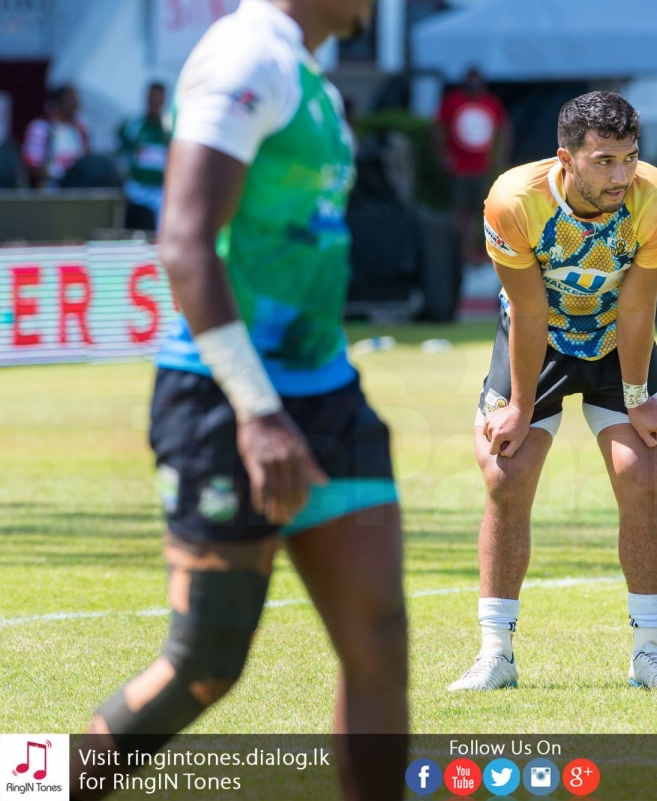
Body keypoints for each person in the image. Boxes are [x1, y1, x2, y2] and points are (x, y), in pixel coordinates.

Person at [70, 1, 406, 799]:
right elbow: (184, 242)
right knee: (205, 662)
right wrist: (257, 411)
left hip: (328, 395)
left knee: (379, 642)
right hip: (227, 399)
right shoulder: (246, 55)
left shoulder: (306, 74)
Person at [448, 91, 657, 692]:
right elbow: (529, 312)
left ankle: (651, 654)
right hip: (541, 335)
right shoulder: (514, 201)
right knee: (505, 474)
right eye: (604, 161)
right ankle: (495, 654)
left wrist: (636, 397)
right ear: (566, 157)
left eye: (630, 158)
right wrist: (520, 408)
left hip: (617, 336)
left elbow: (636, 306)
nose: (621, 176)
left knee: (642, 471)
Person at [434, 67, 511, 264]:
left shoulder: (491, 103)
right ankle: (456, 251)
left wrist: (498, 159)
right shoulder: (453, 102)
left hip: (482, 168)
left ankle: (471, 251)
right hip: (458, 168)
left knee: (480, 211)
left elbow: (503, 130)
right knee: (459, 210)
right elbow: (438, 129)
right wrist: (443, 156)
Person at [116, 82, 171, 225]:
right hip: (135, 189)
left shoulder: (170, 129)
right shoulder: (132, 125)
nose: (154, 102)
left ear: (164, 101)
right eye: (152, 97)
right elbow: (116, 150)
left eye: (158, 98)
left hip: (160, 192)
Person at [21, 84, 89, 189]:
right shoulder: (41, 128)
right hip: (49, 191)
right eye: (72, 99)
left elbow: (86, 160)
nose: (77, 105)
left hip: (76, 191)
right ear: (60, 102)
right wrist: (59, 177)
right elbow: (32, 167)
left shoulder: (79, 129)